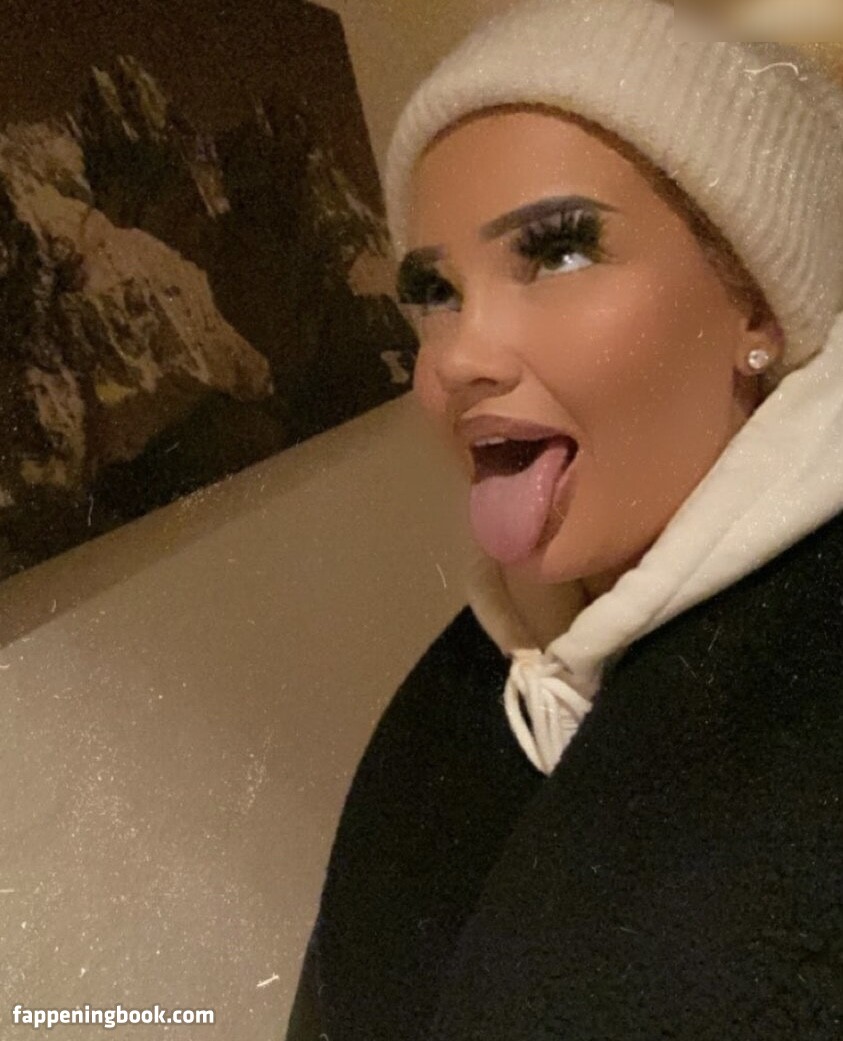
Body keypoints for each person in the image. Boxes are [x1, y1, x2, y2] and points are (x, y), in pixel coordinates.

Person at [286, 1, 843, 1037]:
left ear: (758, 303)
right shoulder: (468, 680)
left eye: (556, 251)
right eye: (435, 291)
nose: (458, 356)